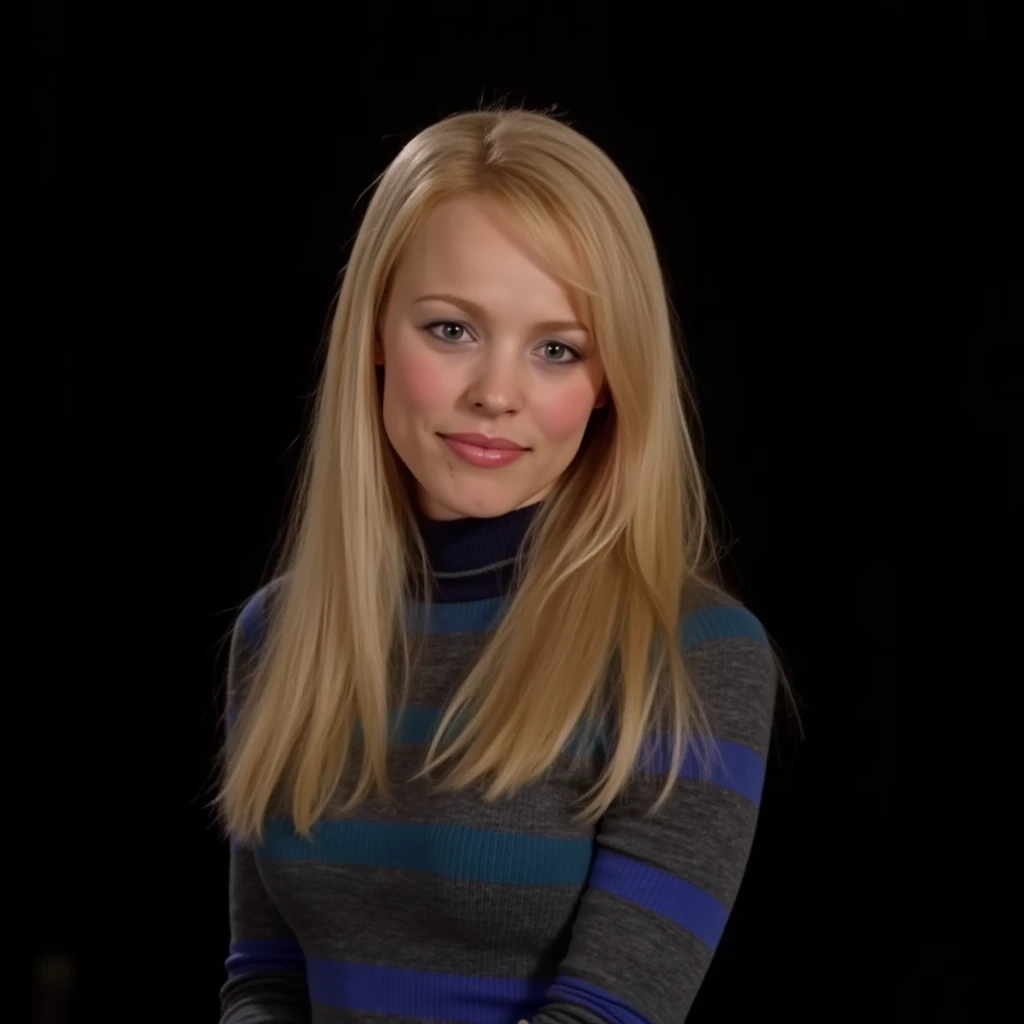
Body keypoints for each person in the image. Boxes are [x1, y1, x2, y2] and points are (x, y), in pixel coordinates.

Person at [216, 104, 795, 1024]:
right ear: (373, 332)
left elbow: (609, 1015)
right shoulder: (279, 636)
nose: (496, 394)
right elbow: (262, 984)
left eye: (558, 350)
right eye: (451, 330)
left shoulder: (691, 656)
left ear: (609, 387)